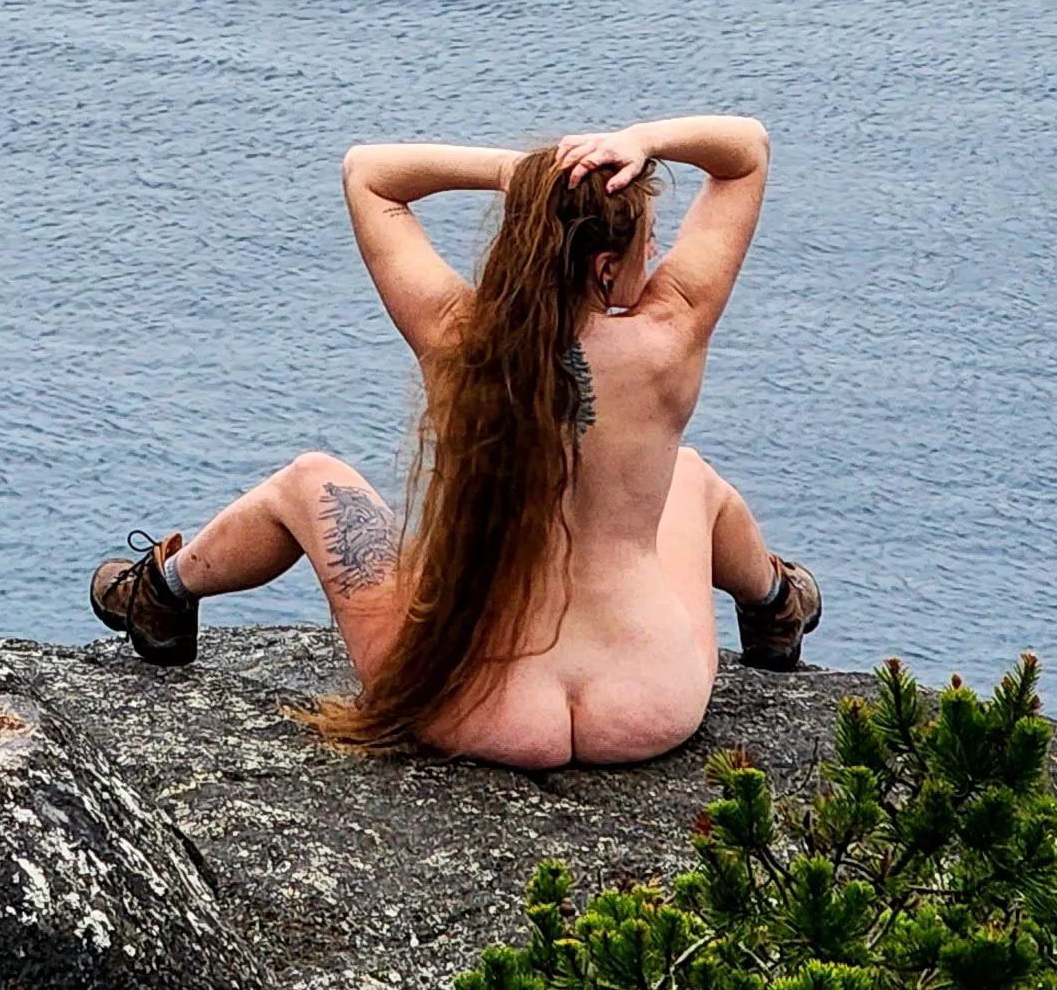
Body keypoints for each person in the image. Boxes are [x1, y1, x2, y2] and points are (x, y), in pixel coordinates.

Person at [88, 116, 816, 766]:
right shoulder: (671, 335)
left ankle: (160, 594)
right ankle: (777, 606)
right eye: (647, 239)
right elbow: (745, 151)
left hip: (475, 707)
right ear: (604, 268)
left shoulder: (455, 337)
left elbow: (369, 173)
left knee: (310, 479)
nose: (654, 249)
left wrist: (519, 176)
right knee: (690, 476)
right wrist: (642, 141)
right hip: (650, 700)